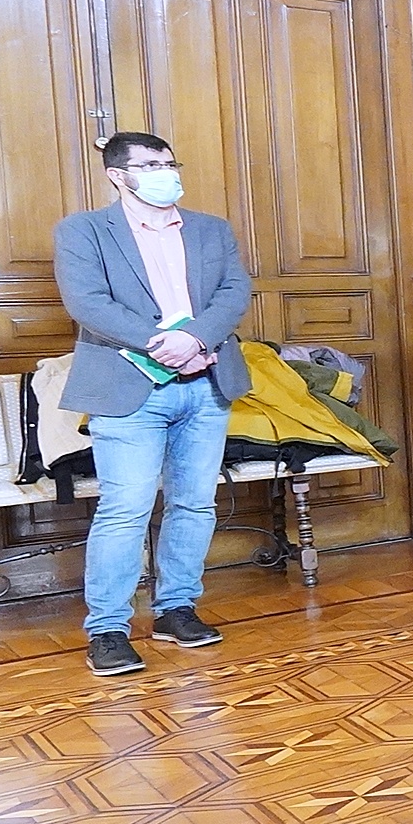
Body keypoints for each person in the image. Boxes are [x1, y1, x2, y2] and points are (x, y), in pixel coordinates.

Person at [54, 131, 255, 676]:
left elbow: (234, 292)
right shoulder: (83, 231)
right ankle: (108, 630)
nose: (165, 173)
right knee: (125, 510)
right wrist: (161, 343)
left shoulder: (211, 229)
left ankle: (176, 609)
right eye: (149, 165)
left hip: (206, 383)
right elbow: (87, 302)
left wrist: (195, 338)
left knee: (195, 503)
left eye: (169, 162)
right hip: (129, 388)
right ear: (118, 175)